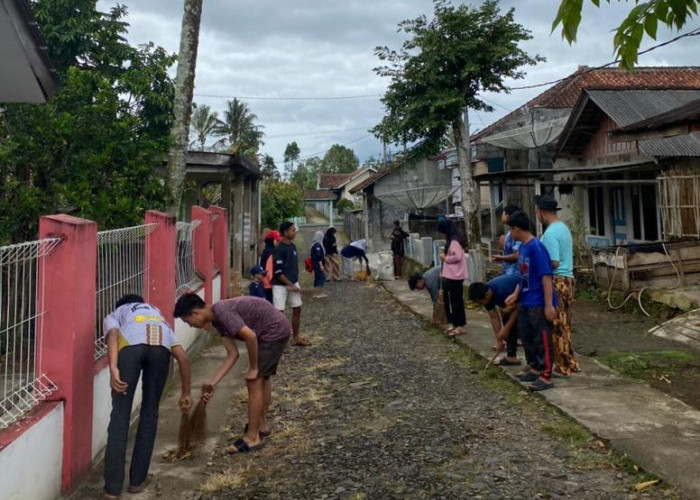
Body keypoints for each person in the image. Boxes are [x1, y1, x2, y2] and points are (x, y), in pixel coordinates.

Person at [174, 294, 290, 454]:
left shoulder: (222, 312)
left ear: (195, 313)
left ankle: (252, 438)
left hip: (274, 330)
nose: (190, 326)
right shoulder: (217, 320)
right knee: (262, 379)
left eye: (188, 322)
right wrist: (212, 383)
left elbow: (250, 336)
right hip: (272, 328)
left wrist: (254, 367)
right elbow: (232, 354)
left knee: (254, 381)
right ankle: (261, 426)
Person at [103, 295, 191, 499]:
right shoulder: (157, 315)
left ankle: (112, 489)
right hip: (160, 351)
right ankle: (137, 481)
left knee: (120, 418)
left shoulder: (116, 313)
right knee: (149, 414)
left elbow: (114, 335)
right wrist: (186, 393)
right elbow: (183, 357)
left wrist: (113, 369)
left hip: (129, 352)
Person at [504, 211, 557, 392]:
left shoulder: (537, 247)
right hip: (525, 299)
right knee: (527, 336)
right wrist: (516, 293)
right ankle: (534, 367)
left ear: (518, 229)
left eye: (512, 229)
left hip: (538, 300)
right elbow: (523, 275)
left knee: (542, 338)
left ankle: (546, 374)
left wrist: (549, 304)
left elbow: (546, 276)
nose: (510, 233)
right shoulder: (524, 248)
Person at [536, 194, 580, 377]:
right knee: (565, 323)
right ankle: (570, 361)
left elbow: (553, 261)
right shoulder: (563, 228)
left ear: (542, 212)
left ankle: (562, 365)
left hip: (558, 280)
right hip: (568, 279)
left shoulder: (551, 233)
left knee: (557, 325)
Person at [469, 275, 521, 366]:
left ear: (487, 294)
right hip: (511, 305)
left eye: (481, 303)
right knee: (506, 322)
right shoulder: (485, 297)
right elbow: (494, 317)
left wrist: (506, 329)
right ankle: (511, 356)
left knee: (514, 325)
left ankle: (531, 362)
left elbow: (517, 310)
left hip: (526, 297)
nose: (482, 304)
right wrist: (499, 340)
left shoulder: (502, 290)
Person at [272, 221, 307, 346]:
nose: (295, 232)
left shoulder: (292, 246)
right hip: (280, 286)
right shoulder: (278, 249)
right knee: (279, 314)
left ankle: (296, 337)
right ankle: (279, 341)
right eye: (292, 230)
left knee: (297, 309)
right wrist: (290, 285)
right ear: (285, 233)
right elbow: (278, 272)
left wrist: (294, 284)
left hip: (293, 282)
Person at [437, 219, 468, 337]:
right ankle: (456, 324)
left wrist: (445, 258)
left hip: (456, 275)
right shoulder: (452, 239)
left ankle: (460, 325)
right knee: (453, 300)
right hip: (452, 274)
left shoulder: (454, 241)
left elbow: (457, 257)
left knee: (456, 301)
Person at [493, 205, 522, 276]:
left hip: (513, 272)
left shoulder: (517, 231)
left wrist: (502, 257)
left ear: (507, 215)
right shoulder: (510, 232)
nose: (501, 216)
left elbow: (517, 255)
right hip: (506, 270)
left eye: (503, 214)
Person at [259, 230, 282, 303]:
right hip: (269, 282)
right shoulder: (270, 252)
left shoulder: (267, 250)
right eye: (277, 240)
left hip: (267, 281)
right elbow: (269, 269)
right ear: (272, 240)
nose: (279, 242)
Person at [310, 230, 327, 298]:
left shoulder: (315, 244)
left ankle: (316, 292)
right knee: (321, 277)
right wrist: (321, 265)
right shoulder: (317, 245)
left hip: (316, 264)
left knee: (317, 277)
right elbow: (318, 256)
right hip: (317, 264)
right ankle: (318, 293)